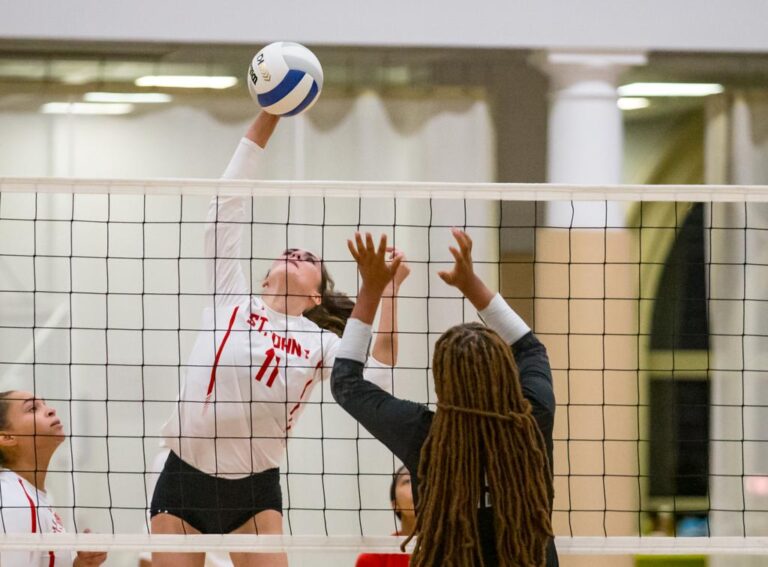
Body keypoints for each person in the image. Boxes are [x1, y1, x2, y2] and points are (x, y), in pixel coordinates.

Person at [150, 111, 409, 567]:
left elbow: (382, 373)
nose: (296, 254)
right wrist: (270, 111)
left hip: (253, 490)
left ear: (315, 294)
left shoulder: (320, 342)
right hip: (184, 479)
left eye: (308, 258)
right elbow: (226, 205)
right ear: (266, 275)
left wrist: (386, 292)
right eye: (288, 251)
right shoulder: (230, 297)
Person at [332, 230, 558, 567]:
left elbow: (346, 383)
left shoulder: (425, 435)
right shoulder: (532, 418)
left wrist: (372, 290)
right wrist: (471, 285)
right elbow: (529, 347)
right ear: (504, 374)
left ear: (443, 383)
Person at [0, 391, 108, 566]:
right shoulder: (14, 502)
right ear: (7, 437)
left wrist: (82, 564)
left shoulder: (35, 496)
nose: (51, 410)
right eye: (32, 408)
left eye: (44, 403)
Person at [355, 465, 414, 567]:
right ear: (395, 504)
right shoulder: (372, 559)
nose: (418, 485)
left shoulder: (450, 552)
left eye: (424, 479)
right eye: (407, 481)